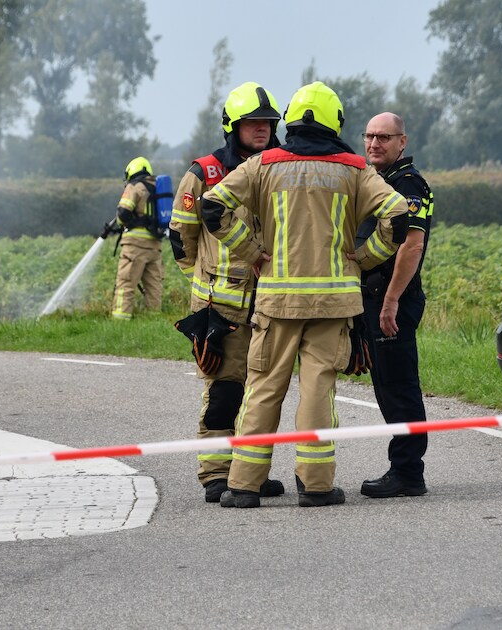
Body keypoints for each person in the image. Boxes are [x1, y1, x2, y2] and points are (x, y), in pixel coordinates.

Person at [201, 81, 408, 508]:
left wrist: (252, 252)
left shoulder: (264, 164)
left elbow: (212, 207)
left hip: (275, 301)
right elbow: (397, 214)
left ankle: (243, 486)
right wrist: (367, 257)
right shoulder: (354, 168)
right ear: (336, 122)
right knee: (318, 392)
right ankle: (315, 487)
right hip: (333, 305)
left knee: (262, 389)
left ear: (291, 120)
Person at [168, 82, 285, 503]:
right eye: (252, 123)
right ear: (231, 127)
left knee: (262, 393)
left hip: (271, 303)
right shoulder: (205, 172)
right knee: (224, 391)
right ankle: (216, 474)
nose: (262, 129)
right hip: (223, 310)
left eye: (268, 123)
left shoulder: (278, 168)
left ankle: (250, 472)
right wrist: (205, 288)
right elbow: (181, 235)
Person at [352, 113, 435, 498]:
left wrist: (390, 302)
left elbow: (411, 245)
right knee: (386, 385)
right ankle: (403, 467)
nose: (374, 144)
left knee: (399, 386)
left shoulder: (408, 184)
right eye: (369, 136)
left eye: (384, 137)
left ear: (402, 141)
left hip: (393, 298)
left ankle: (407, 472)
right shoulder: (374, 181)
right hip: (373, 296)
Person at [104, 156, 164, 319]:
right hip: (155, 246)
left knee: (126, 283)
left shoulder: (134, 187)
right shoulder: (158, 188)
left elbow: (123, 214)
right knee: (154, 286)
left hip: (135, 246)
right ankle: (154, 320)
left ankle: (120, 320)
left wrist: (123, 223)